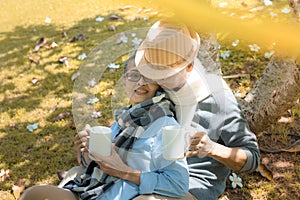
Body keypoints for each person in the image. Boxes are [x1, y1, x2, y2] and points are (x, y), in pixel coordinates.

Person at [20, 55, 190, 200]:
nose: (141, 82)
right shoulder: (126, 118)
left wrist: (125, 172)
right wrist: (88, 151)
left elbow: (178, 183)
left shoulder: (167, 126)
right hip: (93, 191)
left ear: (158, 84)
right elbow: (101, 164)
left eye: (149, 77)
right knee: (33, 195)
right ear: (124, 80)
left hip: (121, 195)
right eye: (133, 76)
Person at [133, 20, 260, 199]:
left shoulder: (217, 98)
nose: (157, 80)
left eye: (164, 74)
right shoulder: (154, 83)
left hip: (191, 183)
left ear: (189, 67)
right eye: (152, 71)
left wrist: (211, 148)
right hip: (149, 171)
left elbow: (252, 159)